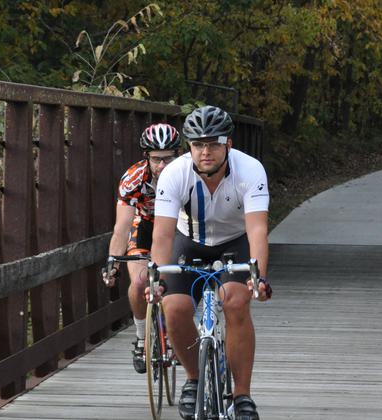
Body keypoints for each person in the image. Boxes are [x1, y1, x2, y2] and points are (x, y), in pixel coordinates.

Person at [150, 105, 272, 420]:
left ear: (228, 144)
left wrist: (257, 276)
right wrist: (157, 279)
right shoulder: (174, 173)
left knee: (234, 301)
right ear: (189, 147)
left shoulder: (251, 170)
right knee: (174, 308)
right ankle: (193, 378)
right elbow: (162, 235)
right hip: (187, 241)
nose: (206, 152)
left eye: (214, 144)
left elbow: (257, 228)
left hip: (235, 242)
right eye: (198, 145)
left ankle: (242, 395)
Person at [101, 122, 181, 373]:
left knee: (176, 281)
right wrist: (113, 261)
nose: (162, 166)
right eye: (156, 160)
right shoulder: (133, 179)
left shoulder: (190, 172)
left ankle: (176, 332)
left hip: (178, 227)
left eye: (168, 159)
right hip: (145, 224)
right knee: (138, 284)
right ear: (146, 156)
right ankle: (141, 338)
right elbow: (122, 227)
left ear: (178, 155)